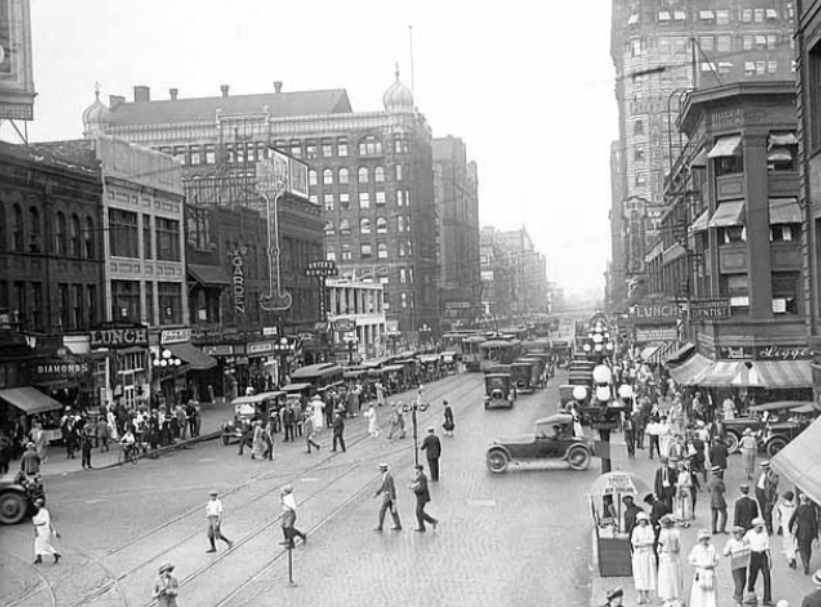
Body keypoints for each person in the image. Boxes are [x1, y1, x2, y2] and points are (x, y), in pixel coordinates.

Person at [745, 517, 773, 605]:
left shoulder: (765, 534)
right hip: (754, 555)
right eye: (758, 527)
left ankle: (767, 599)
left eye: (761, 527)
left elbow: (767, 547)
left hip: (763, 554)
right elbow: (744, 542)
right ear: (754, 526)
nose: (760, 529)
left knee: (767, 576)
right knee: (752, 575)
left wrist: (770, 560)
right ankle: (750, 595)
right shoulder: (749, 533)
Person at [688, 529, 719, 607]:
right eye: (702, 539)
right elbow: (691, 560)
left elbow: (717, 559)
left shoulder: (712, 548)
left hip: (710, 572)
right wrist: (700, 565)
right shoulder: (696, 549)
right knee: (699, 591)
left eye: (705, 539)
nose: (704, 541)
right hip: (700, 572)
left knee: (710, 591)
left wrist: (713, 564)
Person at [790, 493, 819, 575]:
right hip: (809, 532)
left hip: (800, 532)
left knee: (802, 548)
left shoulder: (798, 509)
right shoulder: (812, 509)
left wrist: (790, 529)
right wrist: (816, 535)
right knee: (808, 548)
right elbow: (814, 523)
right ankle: (807, 561)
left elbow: (792, 520)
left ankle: (805, 562)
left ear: (802, 500)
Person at [631, 512, 656, 604]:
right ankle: (640, 596)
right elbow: (634, 542)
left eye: (644, 521)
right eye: (641, 521)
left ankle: (647, 595)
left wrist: (642, 543)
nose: (642, 523)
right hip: (639, 556)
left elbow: (652, 540)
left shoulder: (650, 529)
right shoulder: (636, 530)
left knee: (647, 575)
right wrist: (643, 543)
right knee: (639, 575)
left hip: (648, 555)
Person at [657, 514, 683, 603]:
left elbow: (660, 545)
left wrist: (658, 552)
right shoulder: (676, 532)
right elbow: (679, 545)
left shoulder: (663, 532)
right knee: (674, 575)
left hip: (665, 555)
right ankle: (675, 594)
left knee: (665, 575)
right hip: (674, 555)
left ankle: (666, 595)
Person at [724, 525, 751, 606]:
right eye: (737, 534)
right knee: (738, 582)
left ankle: (737, 595)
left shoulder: (744, 541)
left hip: (743, 564)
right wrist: (728, 552)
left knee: (743, 581)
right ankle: (739, 600)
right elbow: (725, 552)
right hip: (735, 566)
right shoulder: (731, 542)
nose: (738, 536)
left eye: (740, 534)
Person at [409, 464, 438, 532]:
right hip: (421, 497)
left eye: (416, 469)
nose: (415, 471)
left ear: (418, 470)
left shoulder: (422, 477)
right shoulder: (420, 476)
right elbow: (418, 483)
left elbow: (422, 488)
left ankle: (432, 521)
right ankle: (422, 526)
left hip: (422, 497)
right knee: (419, 512)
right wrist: (413, 482)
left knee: (419, 512)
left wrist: (414, 490)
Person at [373, 463, 402, 531]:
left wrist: (392, 498)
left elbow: (391, 488)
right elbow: (383, 486)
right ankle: (398, 525)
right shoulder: (386, 476)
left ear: (383, 469)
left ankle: (380, 526)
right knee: (393, 511)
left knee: (382, 511)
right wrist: (377, 493)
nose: (380, 470)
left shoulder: (388, 477)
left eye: (380, 469)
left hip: (388, 496)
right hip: (389, 496)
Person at [31, 498, 60, 565]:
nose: (35, 504)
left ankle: (55, 554)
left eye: (37, 503)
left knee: (45, 544)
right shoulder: (35, 511)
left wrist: (54, 532)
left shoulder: (44, 512)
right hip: (38, 529)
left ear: (40, 505)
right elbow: (34, 522)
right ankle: (39, 558)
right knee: (37, 544)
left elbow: (47, 522)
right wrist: (36, 531)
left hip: (44, 530)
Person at [756, 461, 780, 535]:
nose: (762, 470)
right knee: (764, 512)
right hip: (761, 495)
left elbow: (775, 482)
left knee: (767, 512)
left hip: (770, 497)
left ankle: (768, 529)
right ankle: (768, 527)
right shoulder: (762, 474)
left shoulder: (773, 475)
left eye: (763, 469)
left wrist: (767, 476)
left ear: (767, 469)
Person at [777, 491, 798, 569]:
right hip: (793, 527)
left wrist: (780, 523)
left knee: (786, 543)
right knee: (793, 542)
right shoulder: (795, 507)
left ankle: (790, 559)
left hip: (785, 526)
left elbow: (778, 517)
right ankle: (793, 556)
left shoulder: (781, 507)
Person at [709, 466, 727, 535]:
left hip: (712, 498)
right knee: (724, 514)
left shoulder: (710, 480)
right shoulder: (719, 481)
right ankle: (722, 529)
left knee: (714, 514)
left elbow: (708, 489)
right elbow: (723, 489)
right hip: (718, 498)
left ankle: (713, 529)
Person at [675, 460, 694, 527]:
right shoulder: (679, 474)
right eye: (678, 467)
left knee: (686, 505)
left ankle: (687, 520)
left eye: (681, 467)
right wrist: (678, 486)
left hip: (685, 490)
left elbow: (690, 483)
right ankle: (682, 519)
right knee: (680, 505)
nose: (679, 468)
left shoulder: (687, 474)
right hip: (680, 490)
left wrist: (683, 485)